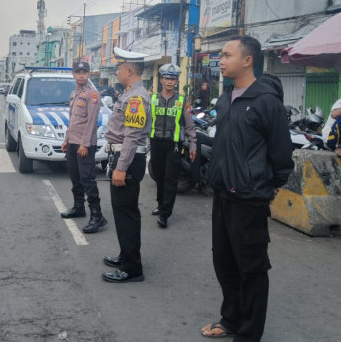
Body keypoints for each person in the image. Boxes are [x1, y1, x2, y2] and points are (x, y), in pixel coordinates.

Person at [201, 35, 294, 341]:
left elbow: (282, 155)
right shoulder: (225, 98)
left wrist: (268, 185)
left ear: (247, 60)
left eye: (227, 55)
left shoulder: (267, 102)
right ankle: (231, 319)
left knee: (251, 269)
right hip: (223, 194)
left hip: (250, 198)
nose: (221, 60)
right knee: (224, 262)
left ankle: (249, 333)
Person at [101, 47, 152, 283]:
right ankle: (125, 256)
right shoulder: (130, 93)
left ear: (129, 70)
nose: (118, 71)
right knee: (121, 213)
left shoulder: (135, 98)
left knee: (126, 213)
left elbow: (131, 136)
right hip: (123, 158)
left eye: (120, 68)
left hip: (128, 160)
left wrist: (121, 168)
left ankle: (132, 268)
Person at [60, 61, 107, 234]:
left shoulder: (92, 94)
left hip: (84, 144)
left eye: (84, 72)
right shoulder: (74, 92)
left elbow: (91, 121)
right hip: (73, 141)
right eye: (78, 72)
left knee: (88, 179)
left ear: (88, 74)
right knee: (75, 177)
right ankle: (79, 207)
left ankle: (97, 216)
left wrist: (84, 144)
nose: (81, 75)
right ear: (73, 74)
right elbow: (72, 119)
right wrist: (67, 139)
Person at [149, 63, 196, 228]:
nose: (170, 82)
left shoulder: (182, 101)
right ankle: (160, 204)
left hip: (173, 146)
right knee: (159, 177)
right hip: (155, 144)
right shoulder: (152, 99)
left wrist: (193, 146)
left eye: (173, 79)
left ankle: (165, 214)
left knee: (170, 179)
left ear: (177, 82)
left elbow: (190, 126)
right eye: (167, 78)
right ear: (161, 80)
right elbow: (145, 123)